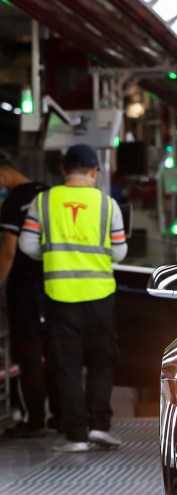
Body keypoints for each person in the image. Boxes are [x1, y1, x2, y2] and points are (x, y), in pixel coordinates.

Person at [19, 144, 128, 452]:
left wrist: (57, 256)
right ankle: (99, 427)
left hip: (60, 295)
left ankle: (76, 435)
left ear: (65, 170)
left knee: (67, 365)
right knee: (101, 362)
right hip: (100, 296)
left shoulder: (42, 202)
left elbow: (27, 246)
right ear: (94, 170)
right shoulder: (108, 205)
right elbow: (119, 251)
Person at [0, 152, 57, 438]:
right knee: (56, 350)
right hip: (54, 285)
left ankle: (35, 420)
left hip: (24, 288)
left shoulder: (12, 203)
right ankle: (62, 416)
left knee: (30, 355)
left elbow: (9, 251)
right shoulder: (49, 195)